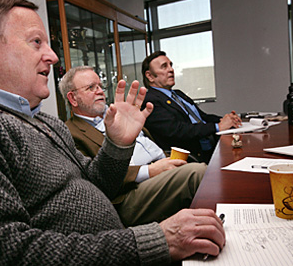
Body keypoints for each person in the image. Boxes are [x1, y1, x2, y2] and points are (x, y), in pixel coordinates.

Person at [0, 0, 225, 266]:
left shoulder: (45, 122)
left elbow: (97, 185)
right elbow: (1, 257)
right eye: (36, 42)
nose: (53, 56)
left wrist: (116, 144)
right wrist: (153, 241)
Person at [60, 66, 207, 227]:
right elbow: (91, 180)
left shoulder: (119, 114)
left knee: (211, 167)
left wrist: (166, 160)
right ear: (73, 99)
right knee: (197, 173)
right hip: (128, 194)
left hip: (162, 165)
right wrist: (150, 171)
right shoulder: (70, 134)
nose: (100, 91)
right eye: (91, 87)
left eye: (100, 86)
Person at [140, 51, 242, 163]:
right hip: (193, 157)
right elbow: (177, 130)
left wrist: (226, 119)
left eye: (171, 65)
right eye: (164, 67)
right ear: (150, 76)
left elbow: (202, 117)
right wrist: (217, 126)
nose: (171, 69)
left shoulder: (178, 94)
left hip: (211, 146)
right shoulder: (150, 100)